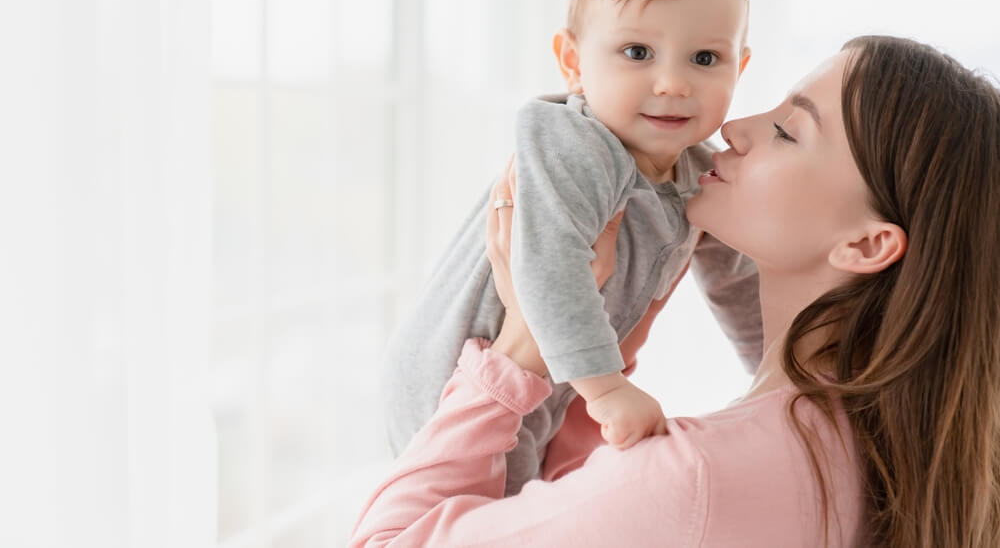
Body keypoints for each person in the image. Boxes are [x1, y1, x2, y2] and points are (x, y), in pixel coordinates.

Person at [351, 36, 1000, 547]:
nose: (738, 126)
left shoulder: (698, 477)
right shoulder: (875, 455)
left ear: (865, 244)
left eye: (787, 131)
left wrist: (521, 349)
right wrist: (608, 339)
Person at [381, 0, 762, 496]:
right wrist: (607, 389)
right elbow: (551, 267)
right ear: (572, 62)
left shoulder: (699, 171)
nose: (673, 83)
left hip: (551, 386)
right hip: (462, 376)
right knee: (493, 512)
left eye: (704, 59)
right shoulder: (576, 142)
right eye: (638, 52)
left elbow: (736, 281)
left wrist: (773, 375)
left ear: (739, 68)